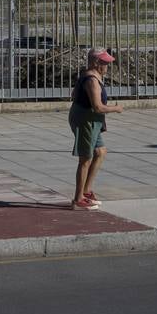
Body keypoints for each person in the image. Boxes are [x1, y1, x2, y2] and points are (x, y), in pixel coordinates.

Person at [69, 46, 124, 210]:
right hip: (86, 120)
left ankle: (86, 191)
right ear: (94, 62)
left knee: (100, 152)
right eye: (104, 63)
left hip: (91, 119)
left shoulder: (90, 75)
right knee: (86, 158)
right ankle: (78, 199)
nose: (107, 66)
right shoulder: (92, 80)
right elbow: (98, 107)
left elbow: (73, 95)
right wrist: (116, 108)